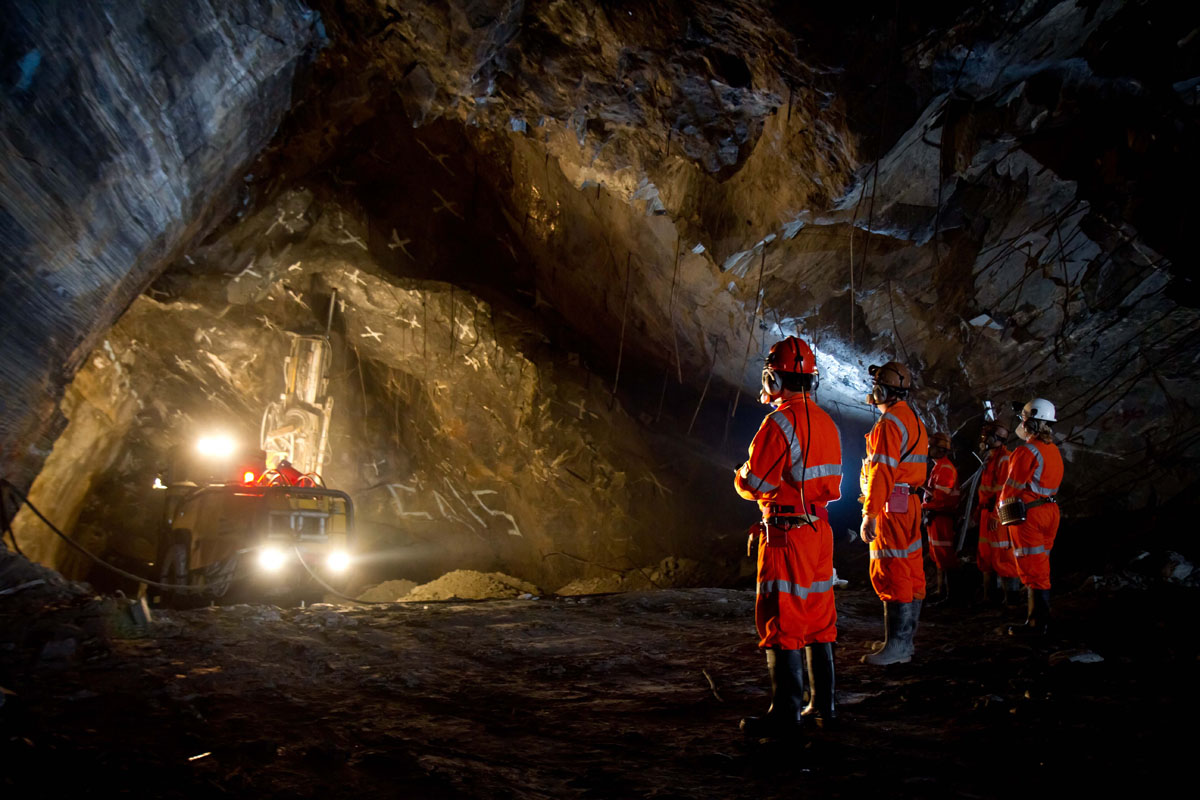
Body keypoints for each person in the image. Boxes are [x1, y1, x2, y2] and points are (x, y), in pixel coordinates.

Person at [734, 336, 843, 736]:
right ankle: (824, 707)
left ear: (773, 377)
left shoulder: (779, 422)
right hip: (819, 530)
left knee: (782, 616)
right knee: (817, 618)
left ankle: (785, 715)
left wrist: (740, 479)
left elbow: (758, 480)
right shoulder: (826, 422)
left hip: (786, 533)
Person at [858, 361, 927, 665]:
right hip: (909, 503)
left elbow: (882, 470)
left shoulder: (889, 424)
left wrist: (870, 513)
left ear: (882, 390)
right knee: (910, 568)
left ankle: (897, 648)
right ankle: (904, 641)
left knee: (892, 569)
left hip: (891, 506)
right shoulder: (912, 419)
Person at [997, 398, 1063, 636]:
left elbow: (1011, 489)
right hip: (1050, 512)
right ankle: (1041, 620)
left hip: (1029, 515)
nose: (1022, 425)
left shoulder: (1026, 451)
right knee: (1042, 567)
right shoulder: (1053, 450)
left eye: (1024, 421)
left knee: (1033, 570)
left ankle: (1036, 625)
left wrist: (1001, 513)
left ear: (1032, 424)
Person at [975, 422, 1019, 604]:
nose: (985, 439)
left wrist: (995, 514)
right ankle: (989, 598)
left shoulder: (1005, 459)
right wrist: (979, 509)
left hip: (999, 514)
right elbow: (985, 489)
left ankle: (1011, 600)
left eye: (990, 435)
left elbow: (1004, 490)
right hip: (987, 513)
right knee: (985, 555)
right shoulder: (989, 459)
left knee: (1004, 556)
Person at [922, 431, 959, 604]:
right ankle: (940, 591)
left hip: (943, 516)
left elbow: (941, 497)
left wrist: (921, 485)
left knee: (945, 555)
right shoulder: (938, 467)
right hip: (935, 516)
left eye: (932, 447)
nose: (929, 450)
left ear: (940, 450)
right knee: (937, 554)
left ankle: (951, 595)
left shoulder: (945, 468)